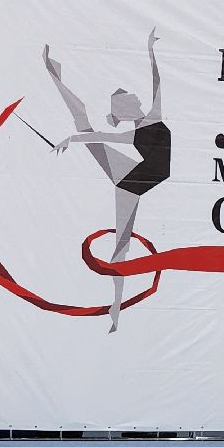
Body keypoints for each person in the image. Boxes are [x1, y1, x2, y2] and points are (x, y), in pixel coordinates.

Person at [44, 28, 167, 333]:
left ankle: (55, 75)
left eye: (128, 98)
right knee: (120, 248)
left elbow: (157, 83)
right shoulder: (137, 130)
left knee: (85, 127)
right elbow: (101, 135)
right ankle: (115, 309)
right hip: (130, 181)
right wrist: (72, 138)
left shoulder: (152, 116)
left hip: (137, 175)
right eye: (126, 101)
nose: (134, 100)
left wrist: (151, 51)